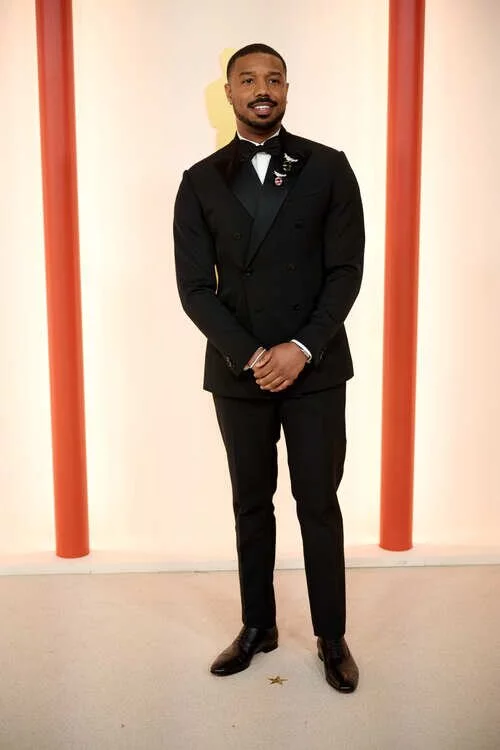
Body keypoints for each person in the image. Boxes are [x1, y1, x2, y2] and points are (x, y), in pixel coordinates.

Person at [174, 43, 365, 693]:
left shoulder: (329, 167)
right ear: (227, 93)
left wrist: (300, 348)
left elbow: (346, 271)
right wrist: (256, 355)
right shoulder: (200, 180)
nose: (263, 88)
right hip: (241, 370)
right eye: (248, 79)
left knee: (319, 502)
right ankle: (259, 625)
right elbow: (195, 288)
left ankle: (332, 635)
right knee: (251, 503)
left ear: (287, 90)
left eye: (274, 79)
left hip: (315, 366)